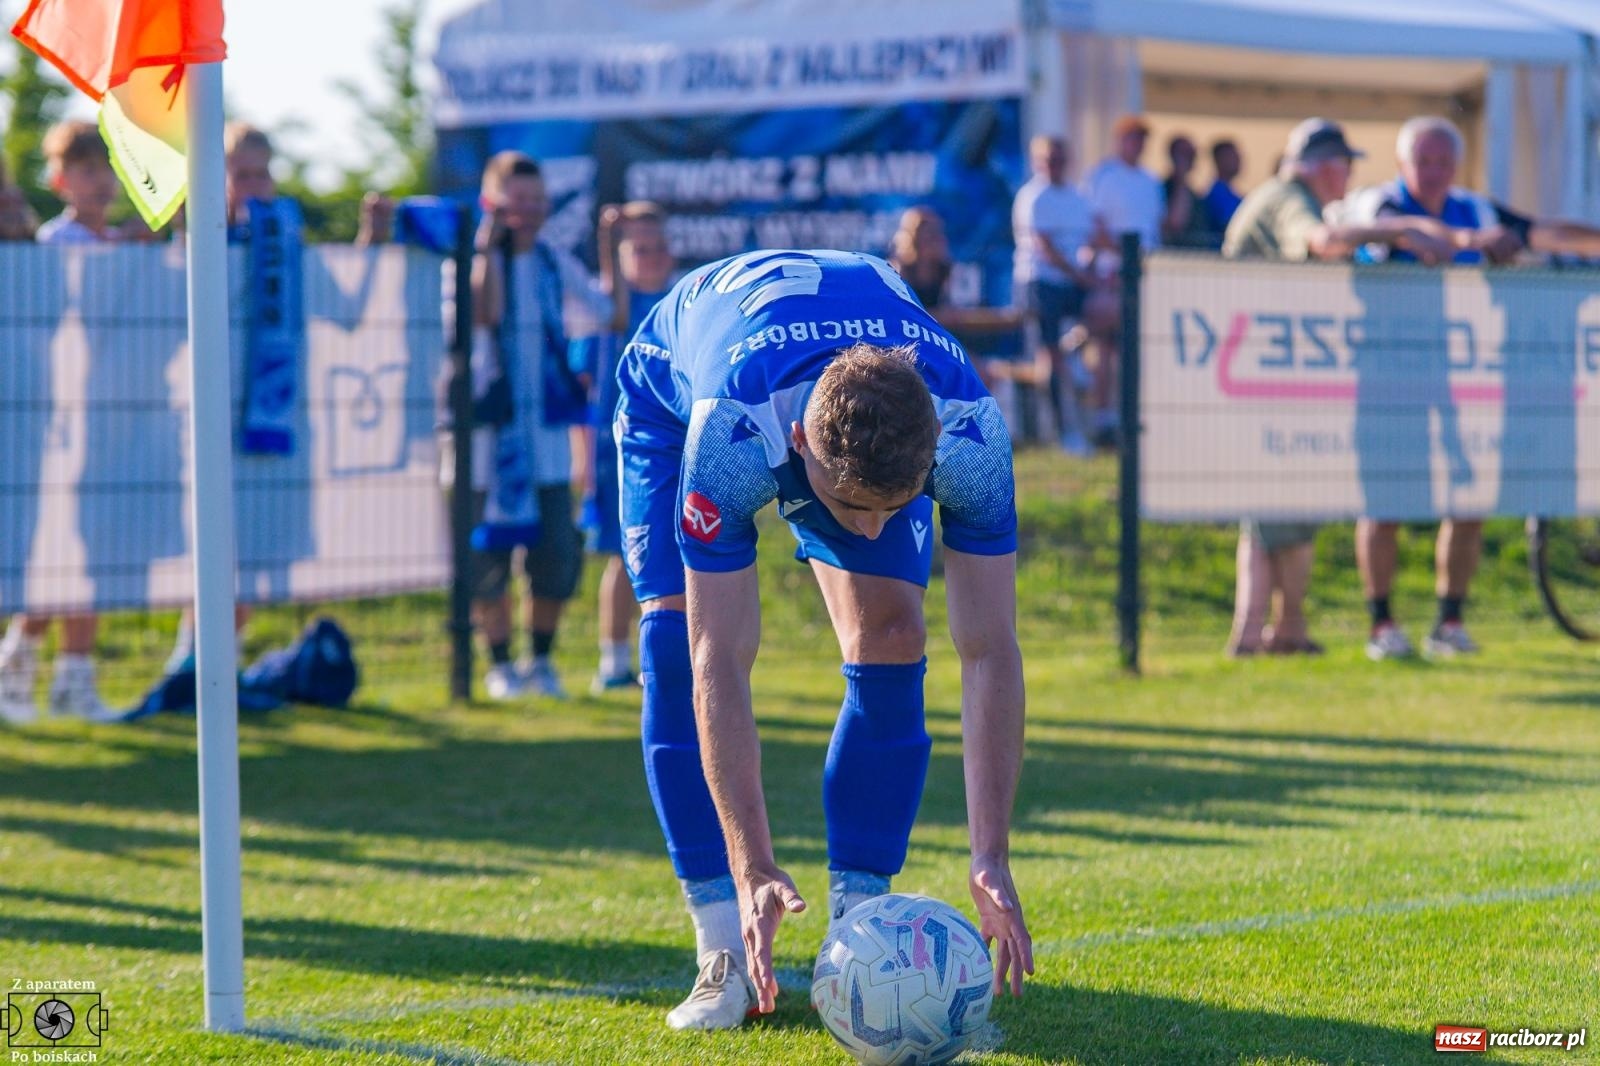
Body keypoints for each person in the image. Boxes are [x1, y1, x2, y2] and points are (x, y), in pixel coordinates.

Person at [618, 249, 1032, 1031]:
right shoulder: (732, 436)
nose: (873, 530)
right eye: (853, 510)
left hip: (844, 383)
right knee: (675, 647)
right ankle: (724, 952)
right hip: (675, 389)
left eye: (894, 507)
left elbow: (990, 650)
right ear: (804, 447)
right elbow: (721, 659)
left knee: (894, 629)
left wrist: (992, 854)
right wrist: (754, 865)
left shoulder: (969, 431)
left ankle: (859, 930)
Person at [1220, 118, 1460, 657]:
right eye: (1345, 165)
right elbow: (1322, 241)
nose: (1350, 178)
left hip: (1260, 374)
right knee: (1283, 506)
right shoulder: (1288, 198)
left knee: (1275, 511)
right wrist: (1397, 233)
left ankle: (1269, 631)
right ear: (1325, 166)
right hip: (1264, 377)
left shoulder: (1277, 195)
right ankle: (1272, 631)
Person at [1341, 116, 1514, 660]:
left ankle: (1450, 619)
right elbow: (1397, 233)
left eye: (1443, 161)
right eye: (1423, 160)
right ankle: (1382, 622)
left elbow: (1523, 238)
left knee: (1468, 500)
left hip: (1464, 382)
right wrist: (1452, 241)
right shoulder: (1378, 204)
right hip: (1386, 382)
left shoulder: (1475, 208)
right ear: (1401, 164)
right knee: (1384, 502)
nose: (1433, 171)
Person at [0, 120, 153, 723]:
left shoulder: (116, 242)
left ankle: (69, 676)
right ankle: (20, 660)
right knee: (60, 550)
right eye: (87, 170)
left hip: (111, 421)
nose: (101, 182)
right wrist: (126, 252)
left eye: (106, 168)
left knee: (97, 549)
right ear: (61, 181)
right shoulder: (57, 246)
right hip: (62, 424)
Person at [452, 150, 610, 700]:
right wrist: (488, 249)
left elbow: (605, 313)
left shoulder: (551, 260)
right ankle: (497, 664)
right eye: (516, 203)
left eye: (537, 203)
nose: (528, 213)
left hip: (543, 438)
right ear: (492, 203)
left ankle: (539, 660)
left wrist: (609, 248)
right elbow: (484, 312)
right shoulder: (467, 260)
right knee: (483, 558)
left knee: (555, 554)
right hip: (483, 441)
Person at [571, 201, 675, 692]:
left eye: (659, 247)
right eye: (640, 249)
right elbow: (583, 385)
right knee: (623, 554)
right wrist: (607, 244)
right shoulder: (608, 305)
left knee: (679, 552)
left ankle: (665, 659)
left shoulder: (680, 304)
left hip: (676, 449)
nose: (652, 258)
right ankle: (612, 663)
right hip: (620, 454)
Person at [1010, 136, 1099, 454]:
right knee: (1048, 355)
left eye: (1059, 158)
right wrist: (1080, 274)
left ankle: (1072, 356)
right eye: (1047, 158)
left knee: (1101, 319)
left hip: (1072, 284)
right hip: (1040, 283)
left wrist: (1091, 267)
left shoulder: (1077, 198)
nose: (1053, 164)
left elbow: (1092, 237)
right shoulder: (1033, 198)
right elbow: (1043, 246)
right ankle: (1062, 431)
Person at [1160, 134, 1215, 249]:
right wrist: (1181, 179)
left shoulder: (1194, 194)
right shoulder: (1162, 188)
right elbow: (1175, 223)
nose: (1191, 159)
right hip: (1172, 259)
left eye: (1192, 154)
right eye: (1185, 154)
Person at [1204, 139, 1245, 234]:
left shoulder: (1230, 192)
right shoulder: (1217, 194)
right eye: (1232, 156)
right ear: (1220, 159)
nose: (1238, 160)